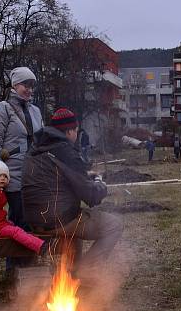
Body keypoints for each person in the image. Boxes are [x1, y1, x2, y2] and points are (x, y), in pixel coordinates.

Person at [22, 108, 122, 281]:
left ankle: (69, 278)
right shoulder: (65, 151)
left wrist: (84, 176)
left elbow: (58, 179)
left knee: (76, 223)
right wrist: (100, 184)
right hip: (57, 220)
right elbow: (90, 196)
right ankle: (83, 274)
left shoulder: (36, 148)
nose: (76, 134)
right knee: (114, 225)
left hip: (34, 220)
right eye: (76, 130)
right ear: (68, 131)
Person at [0, 66, 42, 272]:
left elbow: (40, 141)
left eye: (31, 85)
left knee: (32, 220)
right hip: (13, 175)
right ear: (14, 85)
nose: (29, 89)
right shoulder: (2, 109)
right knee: (19, 220)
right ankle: (15, 270)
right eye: (25, 84)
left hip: (34, 175)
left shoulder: (35, 111)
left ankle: (28, 267)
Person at [0, 156, 46, 255]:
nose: (3, 178)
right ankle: (40, 246)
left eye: (5, 176)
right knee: (16, 231)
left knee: (14, 227)